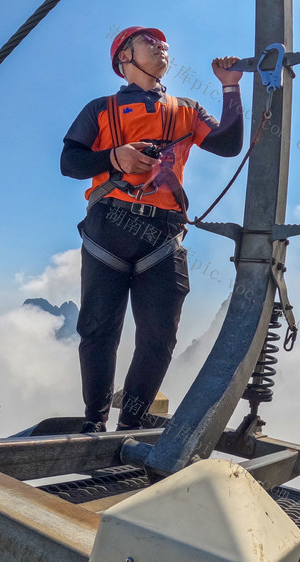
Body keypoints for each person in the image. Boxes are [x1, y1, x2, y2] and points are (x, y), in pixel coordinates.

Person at [61, 26, 245, 432]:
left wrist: (230, 89)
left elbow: (229, 144)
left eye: (163, 43)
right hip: (109, 224)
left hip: (161, 233)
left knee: (159, 337)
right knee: (98, 329)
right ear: (123, 58)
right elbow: (70, 163)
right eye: (148, 41)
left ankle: (130, 424)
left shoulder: (187, 109)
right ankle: (94, 423)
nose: (161, 46)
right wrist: (115, 158)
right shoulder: (101, 108)